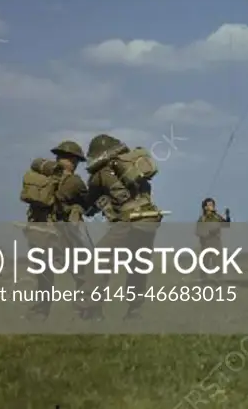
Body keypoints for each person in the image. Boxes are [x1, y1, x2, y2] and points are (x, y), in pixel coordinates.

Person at [79, 134, 162, 321]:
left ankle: (90, 310)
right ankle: (135, 311)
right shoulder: (133, 167)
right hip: (149, 220)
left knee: (98, 261)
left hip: (128, 221)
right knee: (137, 266)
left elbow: (88, 204)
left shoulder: (100, 173)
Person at [18, 140, 89, 320]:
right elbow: (88, 200)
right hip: (58, 234)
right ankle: (83, 311)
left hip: (35, 232)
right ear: (73, 160)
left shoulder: (40, 178)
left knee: (44, 278)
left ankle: (39, 313)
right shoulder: (74, 181)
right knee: (83, 273)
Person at [196, 198, 231, 283]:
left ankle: (219, 279)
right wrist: (206, 232)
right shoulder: (202, 219)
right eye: (209, 205)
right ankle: (203, 279)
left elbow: (226, 225)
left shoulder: (217, 217)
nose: (211, 207)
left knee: (218, 261)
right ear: (205, 207)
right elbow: (198, 231)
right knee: (205, 262)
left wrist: (227, 215)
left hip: (216, 241)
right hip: (206, 242)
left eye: (212, 205)